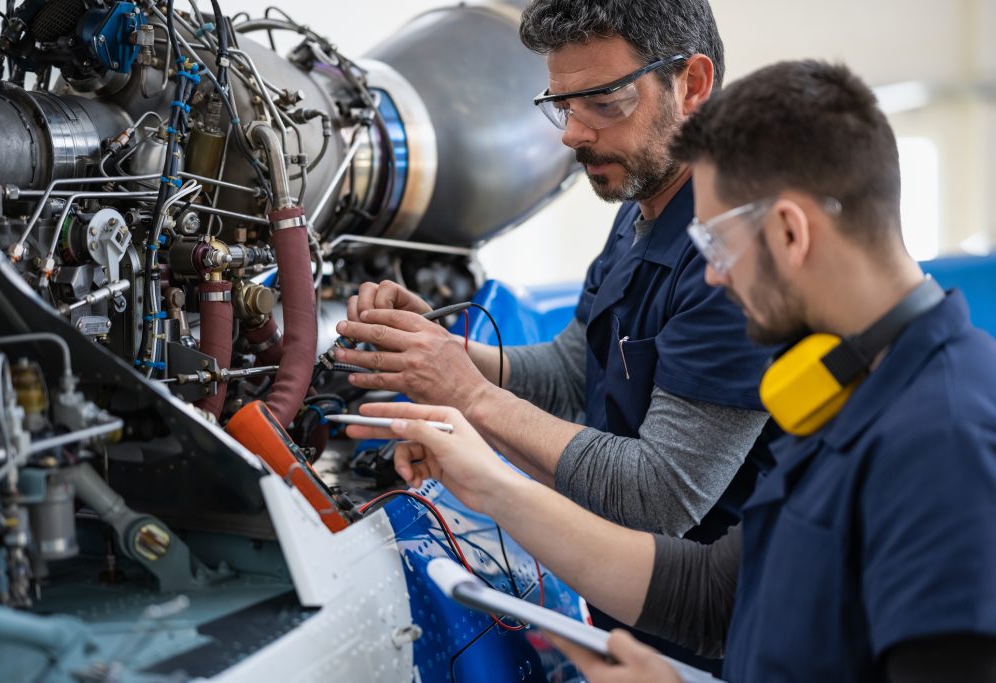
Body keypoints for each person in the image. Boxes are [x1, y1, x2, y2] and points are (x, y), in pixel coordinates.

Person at [343, 60, 996, 682]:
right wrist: (488, 485)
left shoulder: (943, 438)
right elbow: (714, 595)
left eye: (715, 243)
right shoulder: (845, 390)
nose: (711, 273)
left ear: (791, 233)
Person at [334, 0, 773, 542]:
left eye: (605, 102)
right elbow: (574, 374)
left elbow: (662, 495)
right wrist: (440, 350)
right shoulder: (643, 209)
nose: (572, 135)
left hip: (721, 620)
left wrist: (468, 396)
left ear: (693, 84)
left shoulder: (741, 255)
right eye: (564, 105)